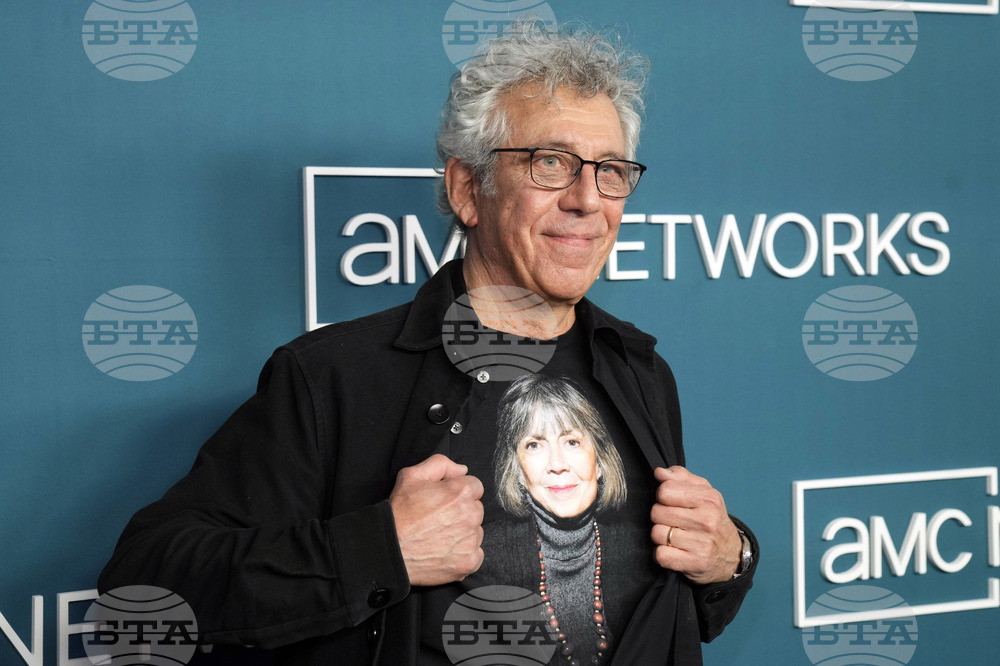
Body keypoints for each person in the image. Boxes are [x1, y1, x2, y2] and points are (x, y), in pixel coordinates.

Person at [98, 19, 757, 666]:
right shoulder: (334, 377)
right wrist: (377, 551)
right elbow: (143, 586)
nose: (588, 199)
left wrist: (732, 559)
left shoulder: (639, 370)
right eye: (550, 163)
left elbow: (662, 604)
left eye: (609, 170)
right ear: (467, 189)